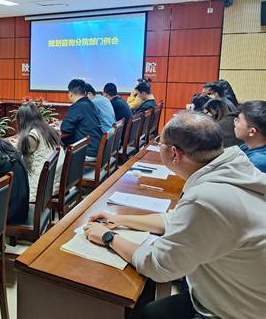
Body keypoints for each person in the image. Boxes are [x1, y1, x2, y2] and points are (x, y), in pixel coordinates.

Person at [83, 111, 266, 319]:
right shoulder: (235, 168)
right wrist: (119, 219)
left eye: (159, 142)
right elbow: (177, 219)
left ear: (174, 153)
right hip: (237, 293)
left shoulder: (205, 199)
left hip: (235, 311)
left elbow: (158, 266)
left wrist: (108, 237)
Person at [16, 103, 65, 202]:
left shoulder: (31, 136)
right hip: (55, 182)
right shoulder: (47, 130)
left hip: (40, 187)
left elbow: (22, 159)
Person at [60, 79, 102, 160]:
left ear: (70, 94)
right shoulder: (91, 104)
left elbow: (65, 128)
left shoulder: (78, 106)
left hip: (88, 151)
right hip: (97, 148)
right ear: (85, 92)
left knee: (58, 157)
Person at [234, 101, 266, 172]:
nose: (235, 123)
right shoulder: (247, 145)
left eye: (238, 120)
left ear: (252, 131)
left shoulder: (255, 163)